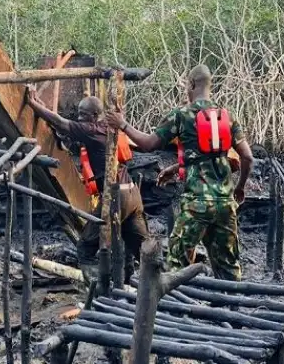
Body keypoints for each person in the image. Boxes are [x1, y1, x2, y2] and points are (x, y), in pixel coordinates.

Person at [106, 64, 254, 281]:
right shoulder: (227, 117)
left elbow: (148, 144)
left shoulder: (182, 116)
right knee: (229, 266)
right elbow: (246, 157)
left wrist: (123, 124)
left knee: (177, 263)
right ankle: (231, 310)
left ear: (191, 84)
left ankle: (180, 311)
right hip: (224, 203)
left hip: (197, 204)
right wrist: (239, 187)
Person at [26, 86, 148, 283]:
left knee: (85, 247)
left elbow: (61, 123)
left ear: (94, 115)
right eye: (78, 114)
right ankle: (136, 285)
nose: (80, 118)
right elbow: (60, 123)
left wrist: (32, 104)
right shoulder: (108, 128)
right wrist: (41, 106)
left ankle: (97, 288)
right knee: (141, 248)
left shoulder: (93, 129)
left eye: (83, 115)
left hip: (117, 196)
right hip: (133, 194)